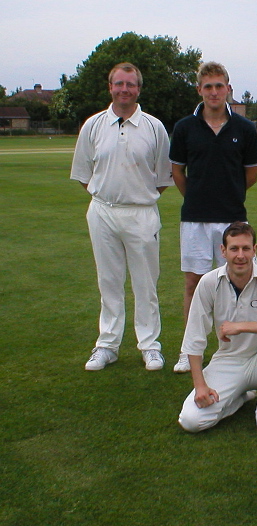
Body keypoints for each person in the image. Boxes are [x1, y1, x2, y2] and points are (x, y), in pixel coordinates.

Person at [70, 62, 172, 371]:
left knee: (145, 284)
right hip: (102, 212)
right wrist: (108, 195)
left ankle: (150, 346)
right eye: (118, 84)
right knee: (109, 282)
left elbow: (163, 178)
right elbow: (85, 173)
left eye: (130, 84)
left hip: (141, 214)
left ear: (138, 89)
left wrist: (135, 198)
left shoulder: (154, 127)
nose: (124, 89)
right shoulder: (94, 125)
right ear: (110, 87)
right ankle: (107, 345)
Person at [169, 61, 257, 373]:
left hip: (233, 219)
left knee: (240, 284)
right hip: (195, 218)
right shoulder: (184, 128)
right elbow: (178, 173)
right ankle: (189, 350)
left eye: (219, 85)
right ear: (199, 90)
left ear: (228, 89)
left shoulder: (245, 129)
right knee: (194, 285)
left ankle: (238, 350)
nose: (213, 92)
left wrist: (227, 195)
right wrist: (198, 196)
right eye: (207, 86)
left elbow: (250, 176)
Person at [178, 222, 257, 443]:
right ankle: (240, 397)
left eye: (246, 249)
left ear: (255, 250)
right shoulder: (209, 283)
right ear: (223, 251)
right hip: (228, 362)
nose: (240, 255)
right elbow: (194, 338)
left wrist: (241, 326)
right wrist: (200, 385)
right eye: (234, 249)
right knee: (190, 421)